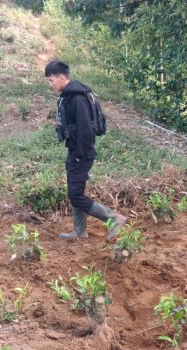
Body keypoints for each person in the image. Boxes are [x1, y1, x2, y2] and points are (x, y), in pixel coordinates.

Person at [45, 60, 126, 241]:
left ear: (62, 77)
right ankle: (79, 231)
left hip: (81, 153)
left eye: (51, 80)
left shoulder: (77, 98)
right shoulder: (71, 95)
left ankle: (114, 218)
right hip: (75, 151)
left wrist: (80, 156)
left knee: (75, 196)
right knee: (75, 191)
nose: (50, 85)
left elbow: (85, 130)